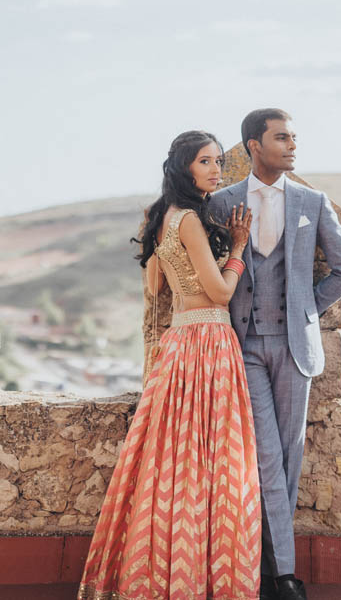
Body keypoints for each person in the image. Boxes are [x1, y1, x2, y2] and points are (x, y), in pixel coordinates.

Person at [79, 130, 261, 600]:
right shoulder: (191, 223)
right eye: (206, 162)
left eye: (219, 161)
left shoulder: (163, 218)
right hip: (210, 342)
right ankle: (205, 578)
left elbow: (158, 289)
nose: (217, 169)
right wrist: (239, 247)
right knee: (217, 465)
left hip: (179, 343)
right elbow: (220, 293)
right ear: (185, 169)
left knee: (171, 466)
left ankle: (164, 573)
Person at [210, 109, 341, 600]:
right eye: (282, 138)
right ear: (254, 145)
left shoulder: (311, 202)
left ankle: (266, 567)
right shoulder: (219, 204)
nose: (292, 145)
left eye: (295, 137)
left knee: (290, 456)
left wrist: (305, 310)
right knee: (266, 455)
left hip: (296, 346)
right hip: (244, 346)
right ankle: (284, 575)